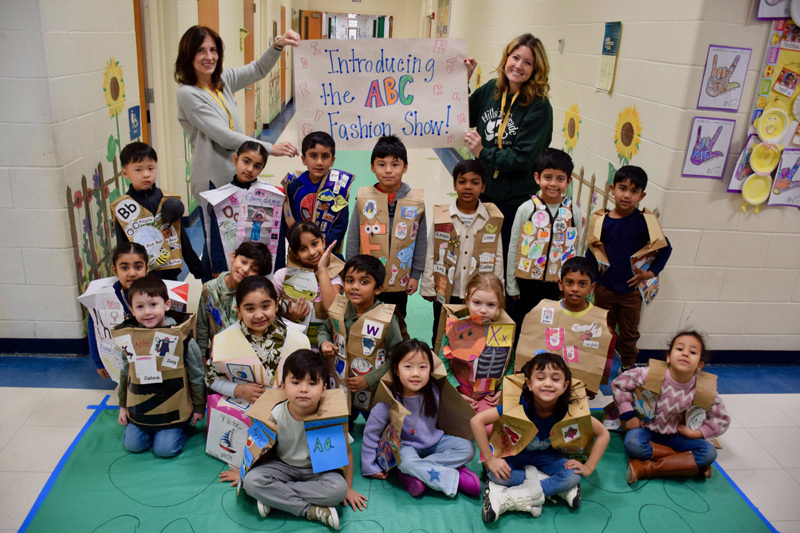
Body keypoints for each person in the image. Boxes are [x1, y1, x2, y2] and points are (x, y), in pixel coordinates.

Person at [174, 26, 300, 275]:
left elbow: (257, 70)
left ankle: (243, 295)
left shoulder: (222, 81)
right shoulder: (188, 94)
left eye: (213, 49)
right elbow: (223, 136)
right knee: (218, 245)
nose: (209, 56)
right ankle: (216, 297)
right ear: (188, 56)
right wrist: (268, 148)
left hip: (240, 174)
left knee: (242, 237)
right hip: (214, 180)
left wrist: (277, 45)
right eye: (200, 51)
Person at [221, 349, 367, 529]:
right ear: (283, 386)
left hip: (317, 471)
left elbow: (346, 453)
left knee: (339, 490)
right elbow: (254, 444)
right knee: (251, 482)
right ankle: (310, 510)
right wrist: (243, 472)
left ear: (323, 390)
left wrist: (349, 488)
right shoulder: (275, 414)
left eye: (312, 383)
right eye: (296, 382)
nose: (303, 389)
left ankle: (276, 498)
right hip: (282, 466)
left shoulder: (329, 417)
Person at [471, 352, 610, 522]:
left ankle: (513, 496)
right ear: (529, 383)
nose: (548, 384)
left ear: (566, 385)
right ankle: (552, 486)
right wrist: (490, 459)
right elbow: (477, 421)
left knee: (573, 476)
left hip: (548, 457)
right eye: (541, 377)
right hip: (517, 454)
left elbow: (603, 433)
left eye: (556, 379)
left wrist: (588, 467)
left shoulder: (570, 411)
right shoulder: (519, 405)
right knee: (493, 474)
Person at [464, 33, 554, 261]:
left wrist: (482, 152)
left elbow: (523, 157)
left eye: (528, 62)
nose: (519, 66)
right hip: (482, 190)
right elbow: (462, 115)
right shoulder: (491, 89)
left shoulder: (539, 106)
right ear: (506, 58)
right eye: (515, 57)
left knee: (501, 259)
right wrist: (462, 80)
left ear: (536, 69)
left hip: (514, 200)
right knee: (475, 255)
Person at [361, 339, 480, 498]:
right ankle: (453, 478)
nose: (416, 373)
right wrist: (370, 466)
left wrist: (459, 400)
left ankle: (414, 472)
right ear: (396, 370)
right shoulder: (388, 402)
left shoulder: (433, 390)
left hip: (436, 441)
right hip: (407, 447)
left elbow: (449, 405)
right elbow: (371, 434)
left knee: (468, 448)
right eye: (408, 367)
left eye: (422, 367)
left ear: (430, 369)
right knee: (404, 461)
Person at [611, 331, 730, 483]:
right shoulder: (650, 374)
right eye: (680, 349)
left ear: (700, 365)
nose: (685, 354)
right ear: (668, 357)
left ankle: (645, 468)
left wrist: (697, 434)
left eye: (693, 352)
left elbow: (722, 419)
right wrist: (629, 415)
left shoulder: (702, 388)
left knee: (709, 453)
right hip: (648, 431)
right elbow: (619, 384)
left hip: (678, 436)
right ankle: (686, 464)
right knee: (632, 443)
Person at [586, 165, 672, 373]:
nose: (627, 195)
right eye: (622, 188)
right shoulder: (602, 221)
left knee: (629, 332)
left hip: (632, 292)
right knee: (601, 329)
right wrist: (592, 280)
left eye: (634, 191)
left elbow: (665, 248)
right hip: (605, 288)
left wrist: (650, 273)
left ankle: (628, 368)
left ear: (641, 195)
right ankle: (597, 368)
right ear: (612, 188)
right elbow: (592, 251)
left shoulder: (644, 222)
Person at [116, 276, 205, 457]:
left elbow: (197, 375)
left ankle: (181, 429)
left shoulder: (182, 336)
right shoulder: (130, 338)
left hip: (174, 410)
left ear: (166, 304)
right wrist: (123, 406)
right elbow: (126, 374)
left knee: (165, 450)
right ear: (132, 310)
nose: (147, 312)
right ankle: (152, 430)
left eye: (153, 304)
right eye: (140, 307)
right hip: (142, 410)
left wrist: (198, 407)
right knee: (133, 445)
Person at [421, 159, 504, 346]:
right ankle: (439, 367)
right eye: (462, 181)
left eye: (475, 182)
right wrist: (427, 284)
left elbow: (498, 255)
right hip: (446, 290)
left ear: (483, 187)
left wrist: (498, 290)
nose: (468, 187)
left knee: (474, 336)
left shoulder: (491, 219)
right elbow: (431, 251)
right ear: (454, 185)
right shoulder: (443, 217)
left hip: (478, 295)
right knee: (441, 333)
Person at [345, 135, 427, 318]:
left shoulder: (415, 202)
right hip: (368, 278)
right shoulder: (365, 199)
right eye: (382, 164)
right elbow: (353, 237)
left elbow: (421, 240)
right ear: (372, 167)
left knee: (396, 320)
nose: (388, 170)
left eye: (395, 164)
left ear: (405, 167)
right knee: (366, 319)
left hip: (400, 280)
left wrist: (415, 274)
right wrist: (349, 273)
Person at [318, 255, 404, 425]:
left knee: (377, 426)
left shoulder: (386, 318)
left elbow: (398, 355)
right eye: (350, 280)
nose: (355, 287)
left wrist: (369, 379)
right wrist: (323, 343)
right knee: (341, 426)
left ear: (378, 289)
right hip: (342, 386)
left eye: (364, 282)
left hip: (372, 389)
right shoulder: (340, 310)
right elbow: (324, 329)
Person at [507, 148, 582, 330]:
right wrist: (511, 285)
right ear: (537, 178)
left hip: (557, 285)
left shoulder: (573, 212)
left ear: (568, 181)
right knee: (524, 325)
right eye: (548, 177)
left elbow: (577, 249)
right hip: (526, 283)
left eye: (560, 179)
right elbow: (514, 247)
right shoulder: (526, 209)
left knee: (551, 327)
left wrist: (572, 283)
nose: (553, 184)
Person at [111, 142, 205, 281]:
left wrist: (196, 268)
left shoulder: (167, 201)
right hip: (142, 276)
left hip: (170, 272)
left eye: (151, 168)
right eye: (138, 170)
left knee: (170, 302)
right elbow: (122, 245)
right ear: (125, 173)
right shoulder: (123, 208)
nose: (146, 174)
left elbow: (181, 237)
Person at [439, 273, 511, 429]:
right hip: (458, 392)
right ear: (467, 299)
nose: (483, 310)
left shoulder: (504, 331)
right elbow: (442, 361)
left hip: (487, 396)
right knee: (451, 429)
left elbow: (509, 363)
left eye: (490, 305)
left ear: (499, 304)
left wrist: (502, 389)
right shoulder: (456, 327)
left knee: (489, 429)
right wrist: (455, 391)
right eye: (477, 303)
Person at [282, 131, 354, 264]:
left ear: (332, 160)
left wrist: (324, 249)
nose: (319, 162)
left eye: (325, 156)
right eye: (313, 156)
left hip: (329, 254)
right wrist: (300, 248)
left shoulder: (339, 189)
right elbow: (289, 221)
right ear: (304, 159)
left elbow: (340, 223)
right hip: (300, 253)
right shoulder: (294, 186)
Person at [203, 141, 274, 275]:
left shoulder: (269, 197)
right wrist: (218, 267)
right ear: (235, 159)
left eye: (257, 166)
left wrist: (278, 266)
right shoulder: (220, 197)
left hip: (258, 268)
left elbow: (275, 237)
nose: (250, 169)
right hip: (230, 265)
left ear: (262, 169)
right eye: (246, 162)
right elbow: (215, 235)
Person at [196, 241, 272, 357]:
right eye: (243, 262)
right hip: (216, 356)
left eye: (254, 269)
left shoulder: (256, 297)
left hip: (248, 356)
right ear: (233, 257)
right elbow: (202, 326)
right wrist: (201, 355)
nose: (245, 269)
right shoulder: (209, 289)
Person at [273, 222, 343, 346]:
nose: (311, 252)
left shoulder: (333, 276)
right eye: (303, 249)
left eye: (315, 244)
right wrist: (290, 317)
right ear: (295, 253)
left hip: (325, 346)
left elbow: (332, 308)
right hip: (292, 346)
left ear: (323, 241)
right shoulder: (282, 276)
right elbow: (271, 312)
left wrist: (322, 269)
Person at [86, 243, 148, 378]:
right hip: (119, 360)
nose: (132, 273)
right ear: (115, 270)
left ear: (147, 268)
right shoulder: (102, 299)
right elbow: (94, 330)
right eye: (124, 268)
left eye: (138, 267)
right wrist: (99, 362)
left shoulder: (157, 294)